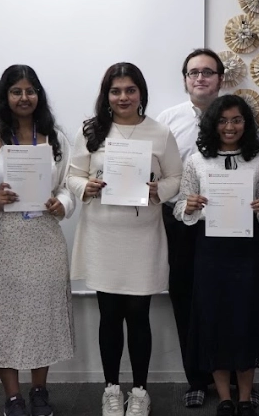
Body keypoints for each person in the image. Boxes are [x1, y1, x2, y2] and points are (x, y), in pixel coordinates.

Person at [66, 62, 183, 416]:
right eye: (115, 91)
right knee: (109, 315)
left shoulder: (160, 132)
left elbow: (175, 177)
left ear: (141, 93)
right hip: (103, 235)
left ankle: (141, 391)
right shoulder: (90, 131)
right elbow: (73, 175)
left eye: (130, 90)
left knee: (139, 315)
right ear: (107, 95)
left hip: (142, 237)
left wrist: (158, 191)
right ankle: (112, 390)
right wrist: (87, 186)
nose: (123, 97)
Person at [155, 48, 259, 409]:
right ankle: (197, 379)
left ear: (220, 78)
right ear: (185, 79)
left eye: (207, 72)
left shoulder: (246, 127)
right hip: (184, 223)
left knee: (236, 304)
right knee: (189, 299)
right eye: (193, 72)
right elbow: (159, 174)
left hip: (238, 228)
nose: (200, 78)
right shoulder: (167, 121)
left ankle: (238, 383)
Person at [0, 65, 76, 416]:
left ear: (39, 95)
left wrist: (62, 203)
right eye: (16, 91)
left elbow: (68, 185)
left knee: (42, 316)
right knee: (4, 318)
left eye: (30, 91)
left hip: (44, 238)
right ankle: (13, 396)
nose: (24, 97)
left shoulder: (56, 138)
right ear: (5, 96)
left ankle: (39, 390)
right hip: (2, 240)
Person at [173, 94, 259, 416]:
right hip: (210, 249)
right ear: (212, 124)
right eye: (222, 120)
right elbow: (180, 208)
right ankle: (224, 398)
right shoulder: (197, 161)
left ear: (246, 124)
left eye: (236, 120)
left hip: (246, 250)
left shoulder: (258, 160)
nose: (229, 127)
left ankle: (244, 397)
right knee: (213, 319)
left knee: (246, 318)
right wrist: (189, 206)